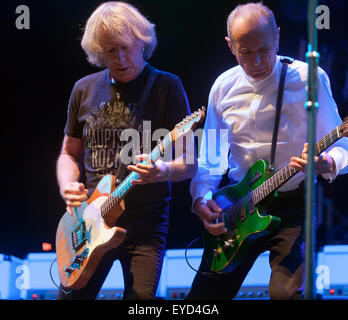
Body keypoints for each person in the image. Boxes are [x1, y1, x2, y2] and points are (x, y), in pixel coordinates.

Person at [186, 2, 348, 300]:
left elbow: (342, 145)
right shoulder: (223, 86)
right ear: (230, 45)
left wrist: (326, 163)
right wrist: (201, 198)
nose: (257, 61)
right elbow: (210, 158)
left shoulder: (309, 77)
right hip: (236, 205)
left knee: (286, 295)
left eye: (264, 49)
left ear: (277, 36)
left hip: (293, 207)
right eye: (245, 52)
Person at [56, 1, 196, 300]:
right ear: (98, 51)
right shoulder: (83, 89)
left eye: (126, 47)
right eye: (109, 50)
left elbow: (189, 163)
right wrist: (67, 185)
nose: (119, 58)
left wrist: (162, 172)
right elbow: (68, 153)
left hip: (145, 226)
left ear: (142, 42)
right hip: (90, 223)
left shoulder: (167, 86)